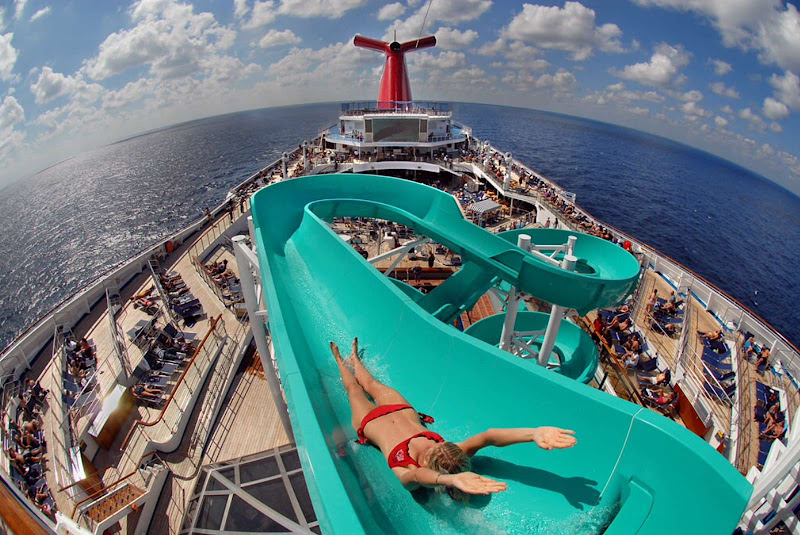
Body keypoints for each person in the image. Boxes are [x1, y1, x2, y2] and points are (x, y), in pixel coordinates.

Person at [330, 338, 577, 501]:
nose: (434, 447)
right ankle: (354, 359)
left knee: (354, 389)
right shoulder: (451, 454)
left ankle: (341, 361)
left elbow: (416, 478)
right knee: (370, 384)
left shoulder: (409, 471)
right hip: (399, 408)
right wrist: (533, 433)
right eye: (439, 445)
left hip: (371, 420)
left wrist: (450, 478)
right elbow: (489, 436)